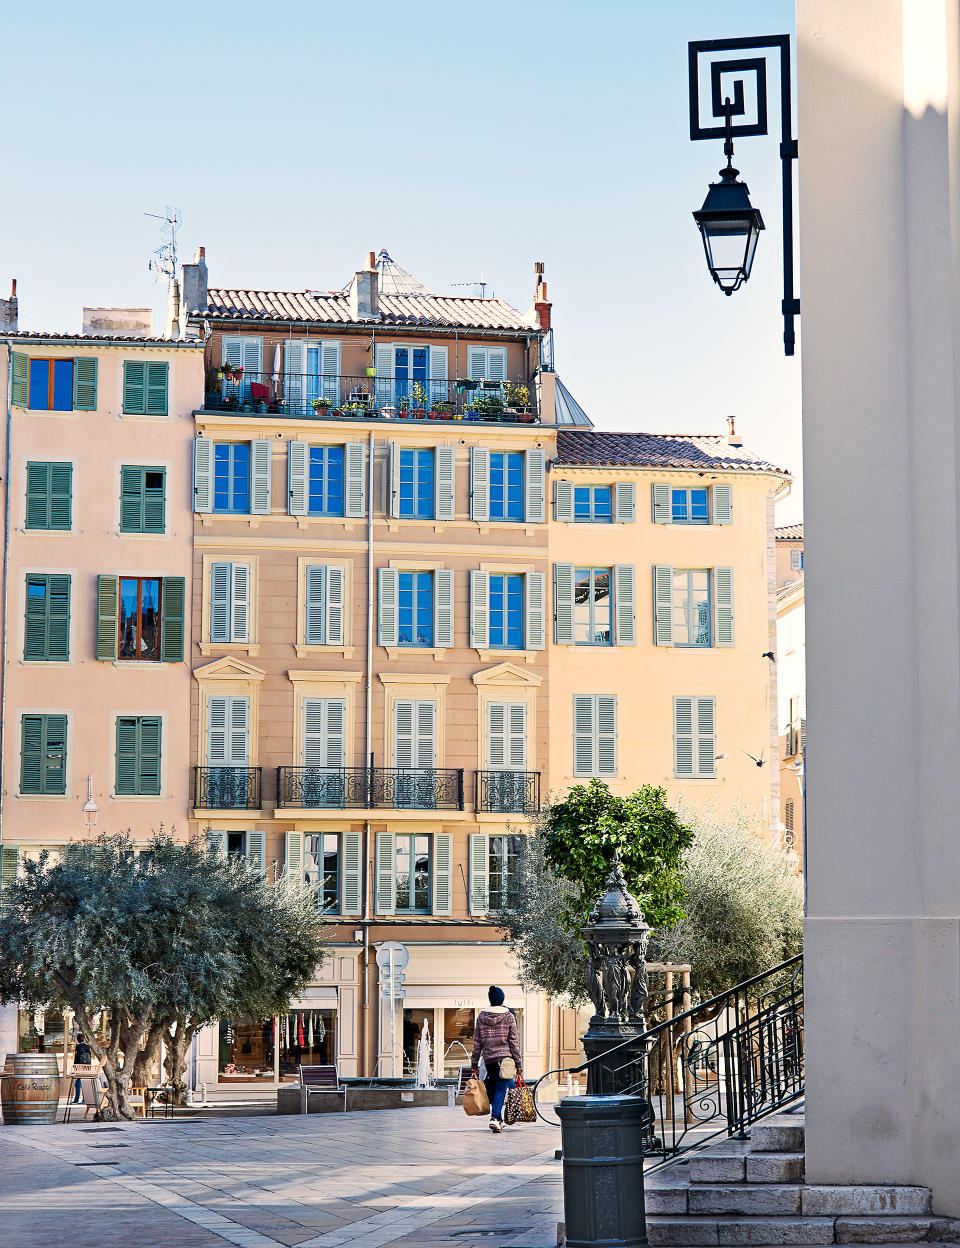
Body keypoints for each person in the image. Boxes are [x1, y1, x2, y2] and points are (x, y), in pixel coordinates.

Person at [471, 986, 521, 1133]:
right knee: (500, 1089)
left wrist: (474, 1063)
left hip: (489, 1060)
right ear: (502, 1000)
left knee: (497, 1088)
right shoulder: (508, 1016)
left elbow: (477, 1043)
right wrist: (518, 1063)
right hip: (505, 1059)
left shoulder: (481, 1016)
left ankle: (498, 1120)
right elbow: (513, 1042)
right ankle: (494, 1118)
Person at [72, 1032, 92, 1104]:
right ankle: (84, 1099)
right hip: (87, 1067)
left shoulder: (78, 1047)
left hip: (80, 1067)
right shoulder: (87, 1046)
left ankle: (77, 1099)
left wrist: (75, 1066)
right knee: (83, 1083)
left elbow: (77, 1058)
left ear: (77, 1039)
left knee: (78, 1083)